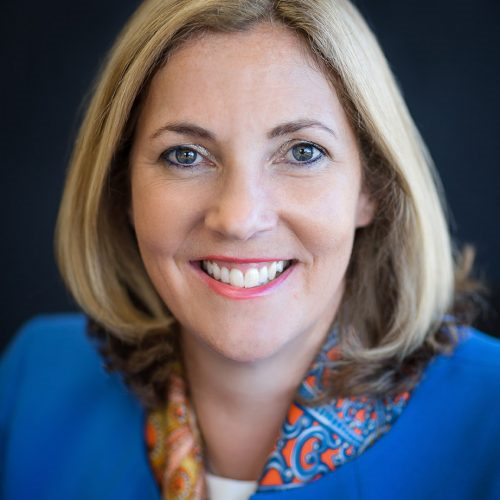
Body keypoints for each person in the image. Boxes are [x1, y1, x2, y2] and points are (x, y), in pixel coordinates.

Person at [1, 0, 499, 498]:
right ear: (123, 188)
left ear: (372, 188)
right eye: (185, 155)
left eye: (302, 152)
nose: (239, 219)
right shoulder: (34, 381)